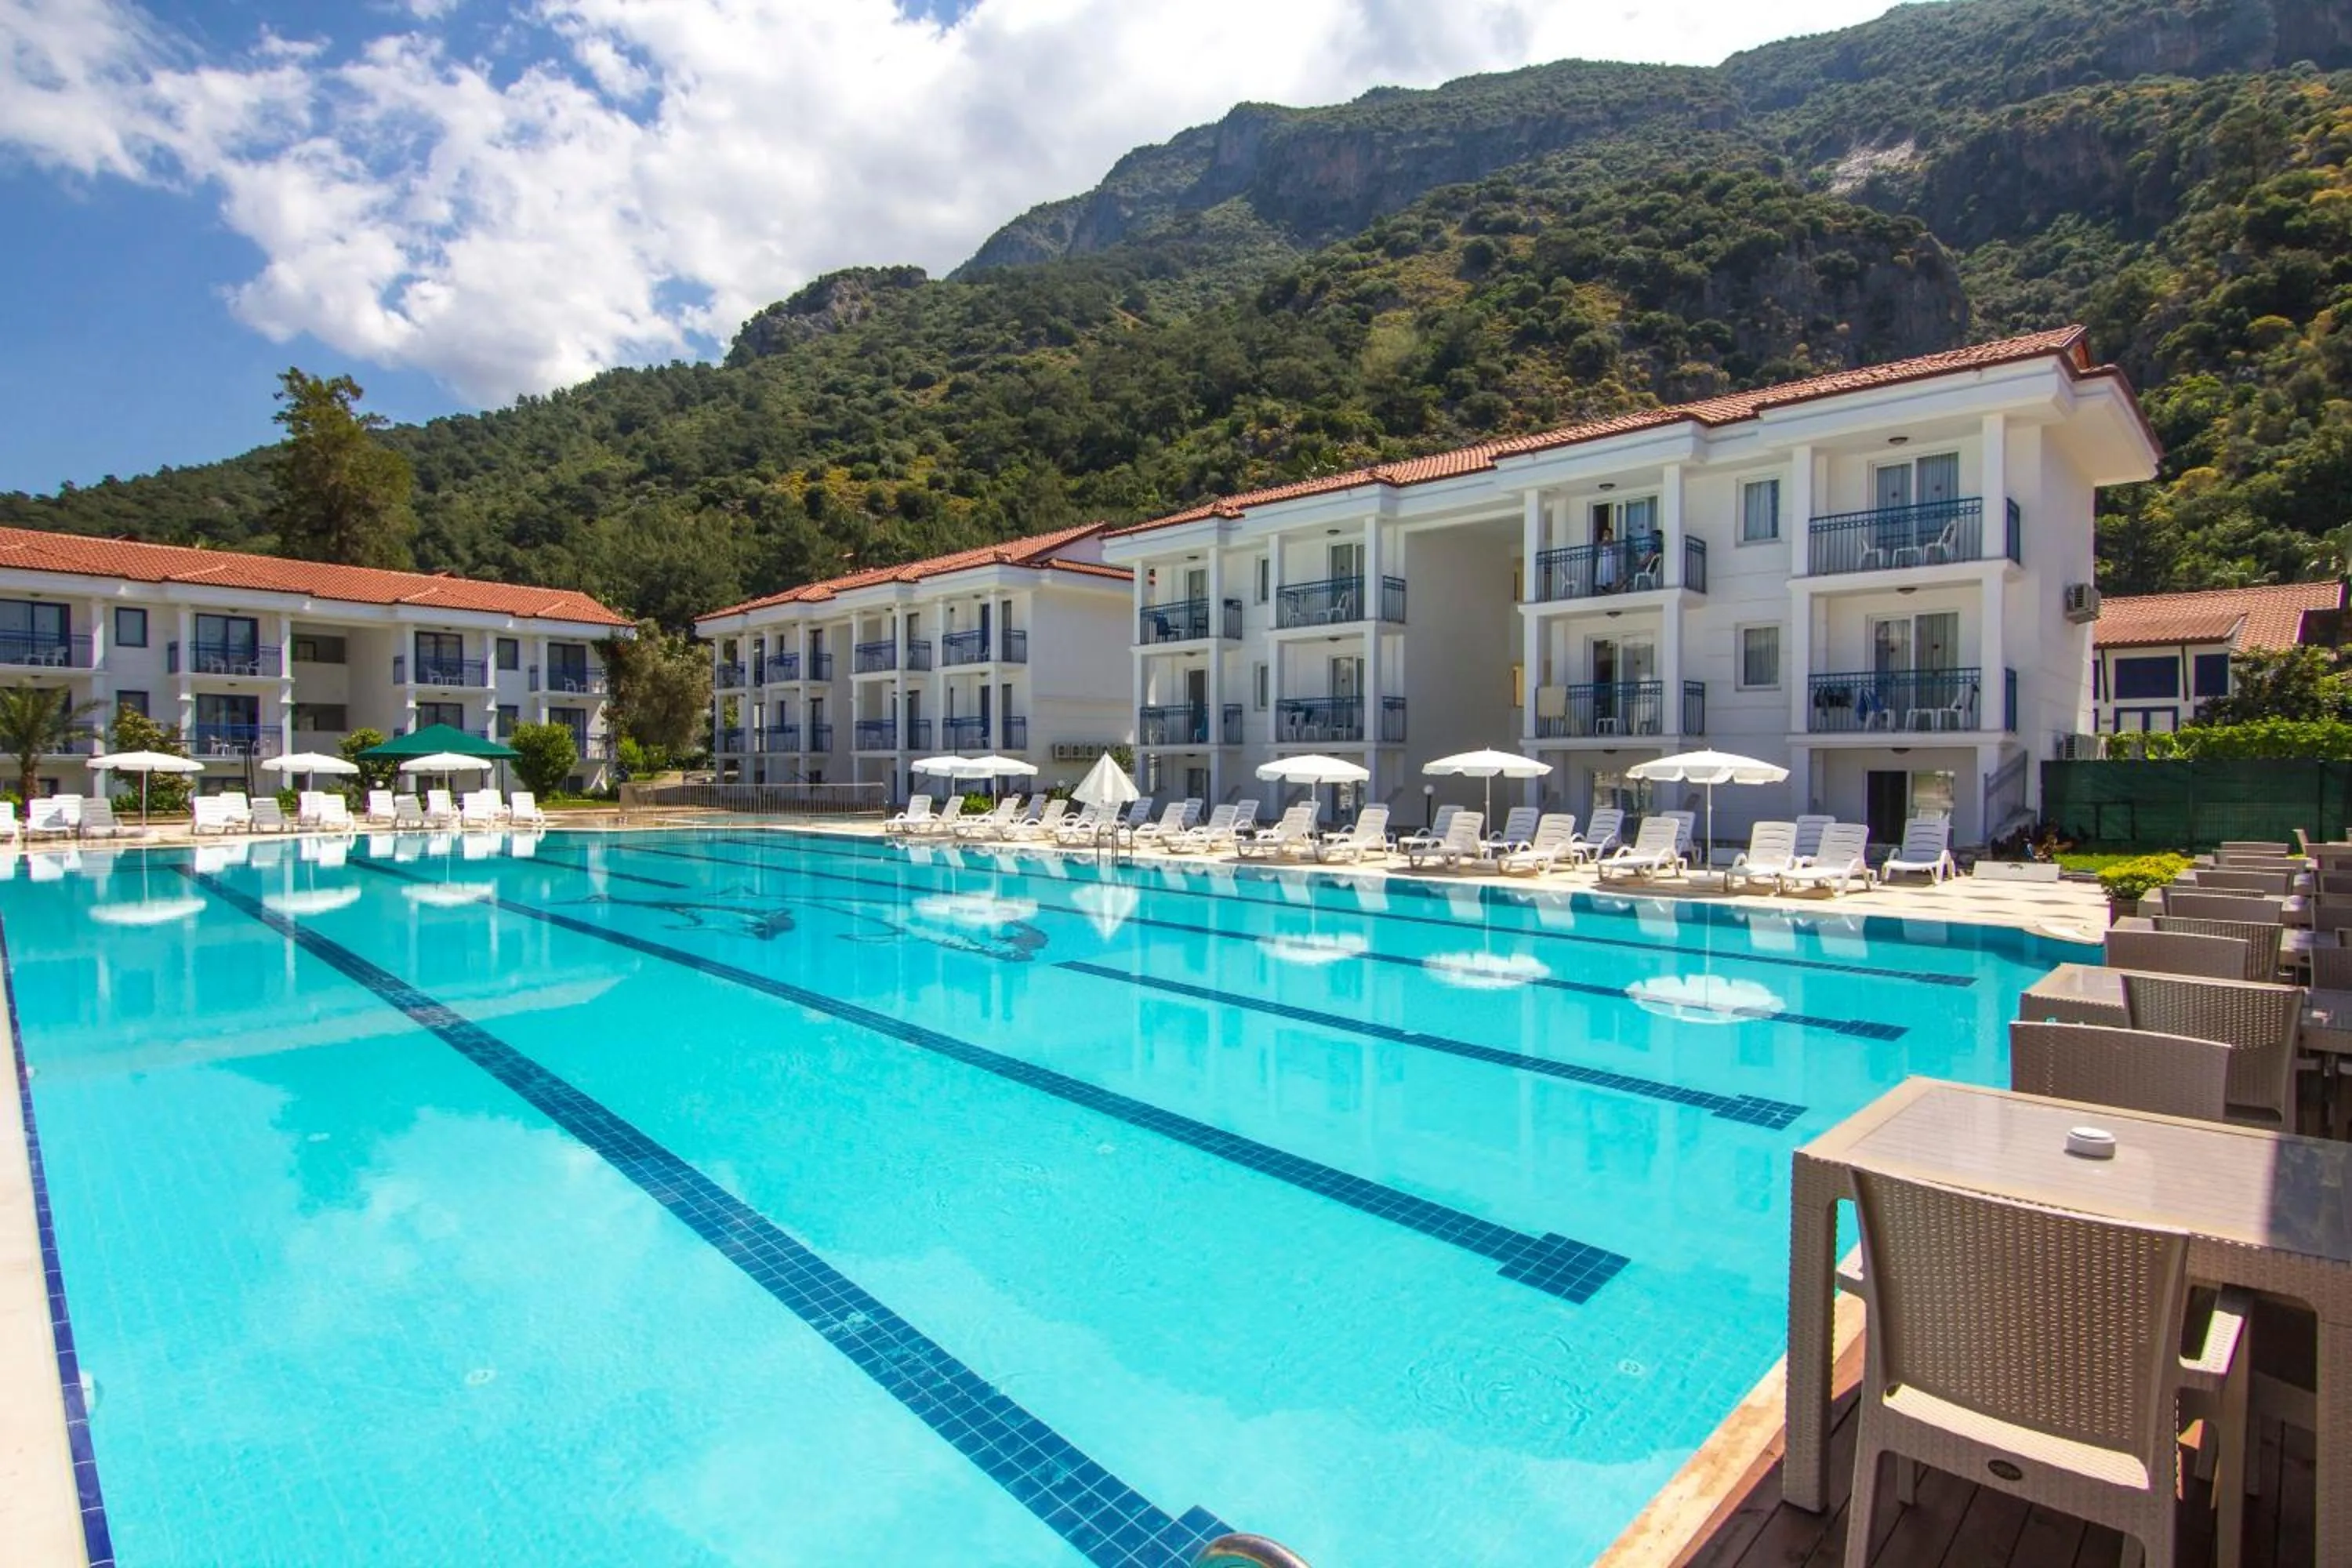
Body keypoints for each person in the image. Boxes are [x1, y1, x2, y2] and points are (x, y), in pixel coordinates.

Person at [1593, 520, 1618, 593]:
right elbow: (1599, 548)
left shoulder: (1612, 541)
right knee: (1603, 572)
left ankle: (1609, 587)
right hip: (1603, 559)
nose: (1605, 535)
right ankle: (1602, 587)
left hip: (1609, 558)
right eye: (1604, 533)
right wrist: (1602, 543)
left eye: (1607, 533)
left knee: (1609, 572)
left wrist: (1608, 541)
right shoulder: (1602, 542)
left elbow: (1611, 545)